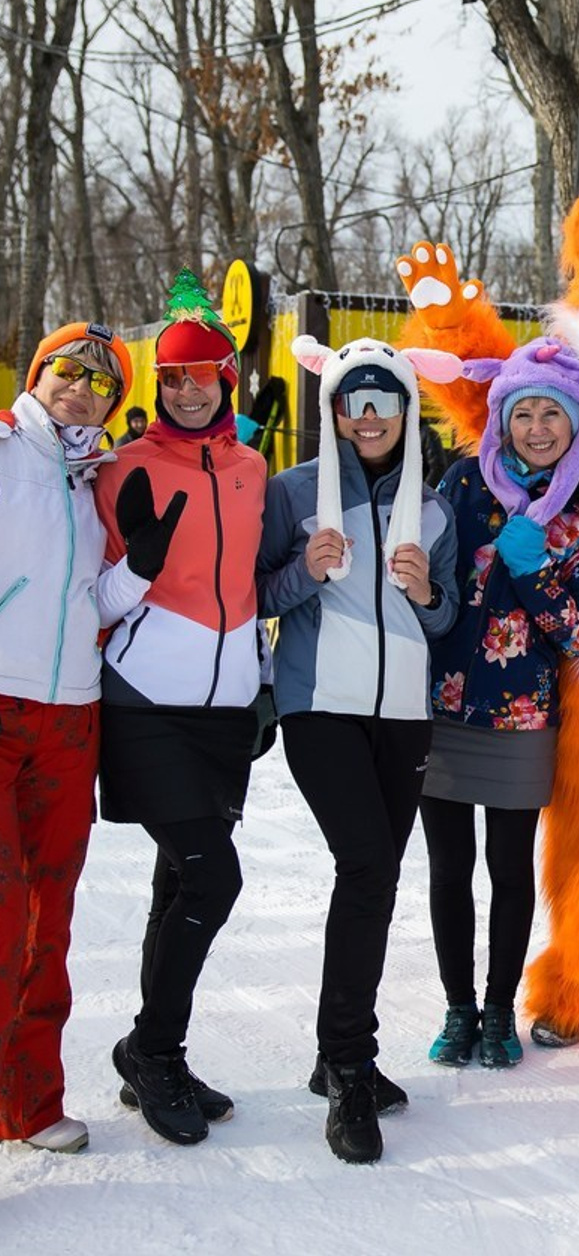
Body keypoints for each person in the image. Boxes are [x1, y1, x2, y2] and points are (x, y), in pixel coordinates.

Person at [258, 334, 460, 1165]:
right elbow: (256, 594)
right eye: (354, 401)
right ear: (333, 410)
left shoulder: (436, 505)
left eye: (384, 402)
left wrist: (427, 590)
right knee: (368, 866)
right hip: (320, 707)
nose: (368, 417)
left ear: (406, 412)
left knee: (373, 879)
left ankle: (335, 1051)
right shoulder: (294, 491)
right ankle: (349, 1065)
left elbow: (444, 624)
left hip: (405, 713)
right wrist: (305, 570)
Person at [93, 270, 267, 1148]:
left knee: (179, 880)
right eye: (172, 375)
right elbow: (91, 601)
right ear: (154, 383)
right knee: (213, 875)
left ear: (226, 379)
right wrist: (139, 566)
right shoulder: (120, 466)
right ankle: (152, 1048)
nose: (187, 387)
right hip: (145, 703)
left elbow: (249, 585)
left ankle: (155, 1049)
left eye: (202, 372)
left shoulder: (254, 467)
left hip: (226, 709)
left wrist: (263, 679)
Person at [420, 338, 579, 1070]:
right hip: (439, 708)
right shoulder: (464, 484)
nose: (536, 427)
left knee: (506, 867)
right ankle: (458, 1007)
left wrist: (533, 572)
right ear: (501, 422)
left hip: (523, 717)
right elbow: (426, 576)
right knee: (447, 867)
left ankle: (500, 1011)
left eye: (551, 415)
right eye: (522, 413)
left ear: (574, 427)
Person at [0, 322, 133, 1154]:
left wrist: (143, 566)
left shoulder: (98, 478)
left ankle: (30, 1103)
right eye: (68, 372)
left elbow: (95, 603)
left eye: (100, 382)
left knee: (50, 918)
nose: (80, 389)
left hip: (70, 715)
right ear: (39, 372)